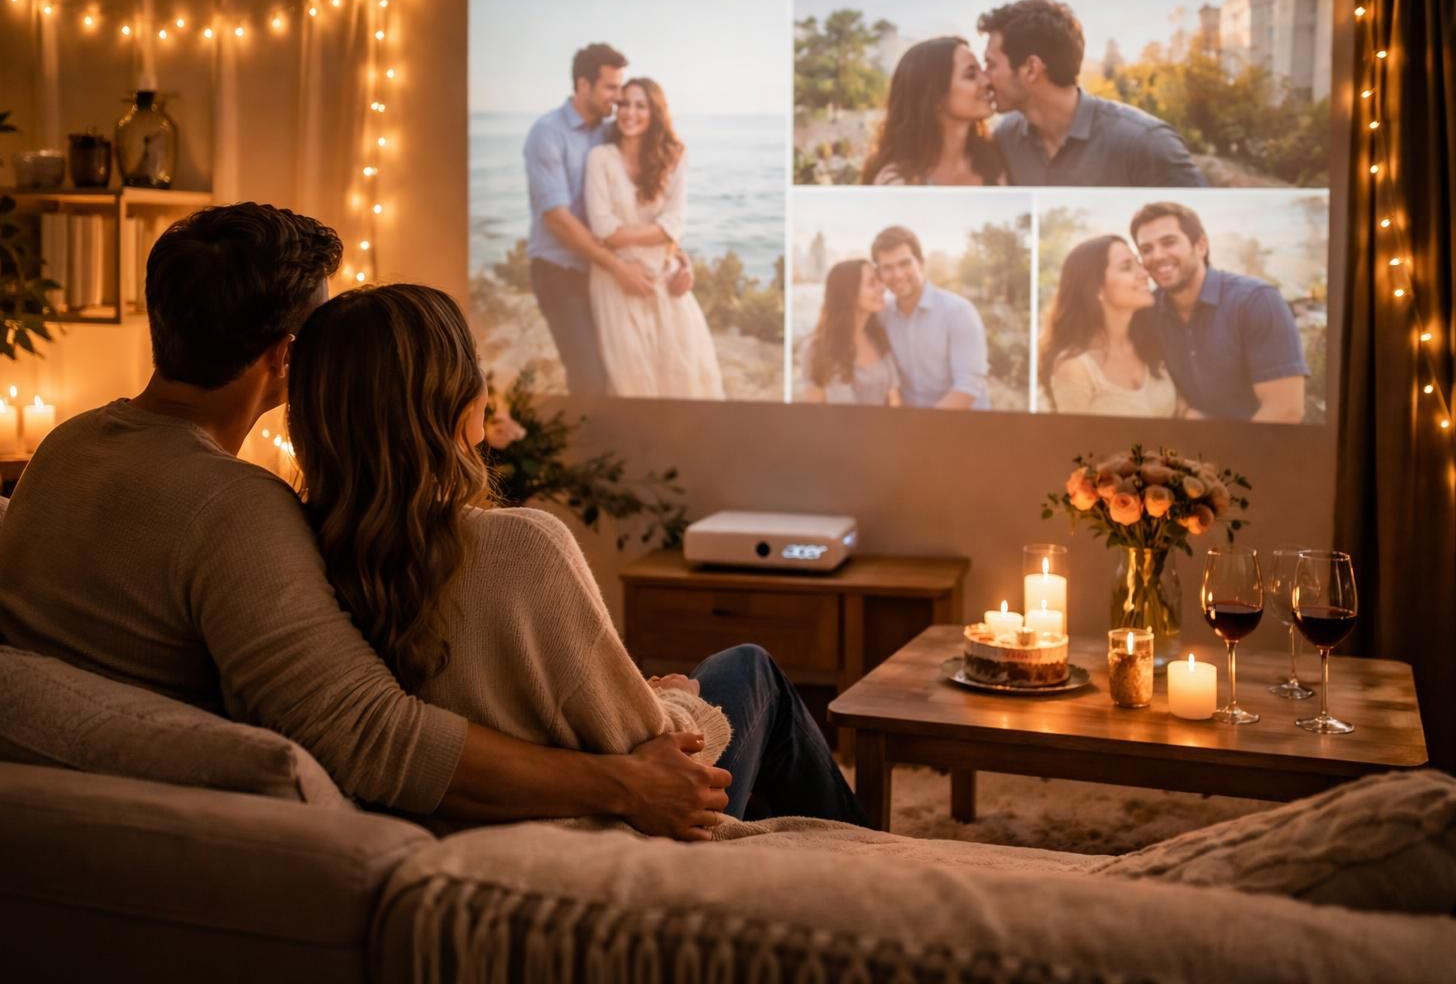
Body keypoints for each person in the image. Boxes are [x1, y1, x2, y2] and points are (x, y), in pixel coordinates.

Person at [0, 203, 731, 841]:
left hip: (59, 822)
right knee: (746, 677)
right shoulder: (234, 509)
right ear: (287, 357)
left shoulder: (67, 446)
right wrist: (623, 785)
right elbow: (374, 736)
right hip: (208, 840)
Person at [285, 283, 866, 827]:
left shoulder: (291, 550)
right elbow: (653, 750)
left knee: (727, 671)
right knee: (749, 669)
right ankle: (872, 858)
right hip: (603, 832)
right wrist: (670, 699)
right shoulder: (518, 546)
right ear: (460, 404)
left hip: (439, 828)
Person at [522, 43, 692, 394]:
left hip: (603, 272)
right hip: (562, 271)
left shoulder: (610, 132)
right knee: (589, 375)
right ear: (584, 85)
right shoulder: (547, 134)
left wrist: (677, 256)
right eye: (611, 88)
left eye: (621, 88)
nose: (618, 99)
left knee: (622, 373)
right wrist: (618, 267)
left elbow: (643, 207)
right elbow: (558, 219)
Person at [585, 78, 725, 399]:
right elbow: (602, 227)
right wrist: (657, 234)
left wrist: (659, 243)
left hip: (665, 278)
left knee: (684, 380)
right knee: (632, 382)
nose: (629, 113)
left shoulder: (673, 158)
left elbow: (674, 223)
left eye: (640, 105)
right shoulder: (600, 158)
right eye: (624, 104)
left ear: (655, 112)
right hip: (616, 281)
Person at [976, 0, 1207, 188]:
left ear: (1031, 69)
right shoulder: (1005, 138)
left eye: (991, 64)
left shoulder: (1147, 144)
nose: (984, 77)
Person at [1131, 201, 1308, 423]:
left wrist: (1225, 455)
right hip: (1188, 448)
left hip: (1262, 449)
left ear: (1201, 245)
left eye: (1169, 242)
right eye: (1146, 249)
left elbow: (1285, 410)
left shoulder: (1256, 301)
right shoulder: (1148, 312)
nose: (1157, 256)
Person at [1040, 235, 1180, 417]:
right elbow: (1069, 442)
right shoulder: (1076, 367)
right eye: (1127, 267)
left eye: (1138, 264)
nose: (1144, 273)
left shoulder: (1152, 342)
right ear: (1097, 289)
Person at [870, 226, 991, 410]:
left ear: (920, 262)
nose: (898, 275)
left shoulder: (958, 312)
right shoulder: (881, 314)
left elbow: (968, 385)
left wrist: (924, 428)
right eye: (887, 267)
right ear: (879, 274)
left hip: (964, 425)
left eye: (905, 263)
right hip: (912, 425)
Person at [860, 36, 1005, 186]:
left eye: (981, 70)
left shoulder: (994, 163)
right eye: (970, 75)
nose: (987, 81)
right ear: (935, 96)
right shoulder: (897, 182)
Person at [799, 259, 901, 406]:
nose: (883, 288)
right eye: (872, 283)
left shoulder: (877, 337)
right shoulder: (816, 349)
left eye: (880, 281)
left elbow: (894, 397)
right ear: (849, 294)